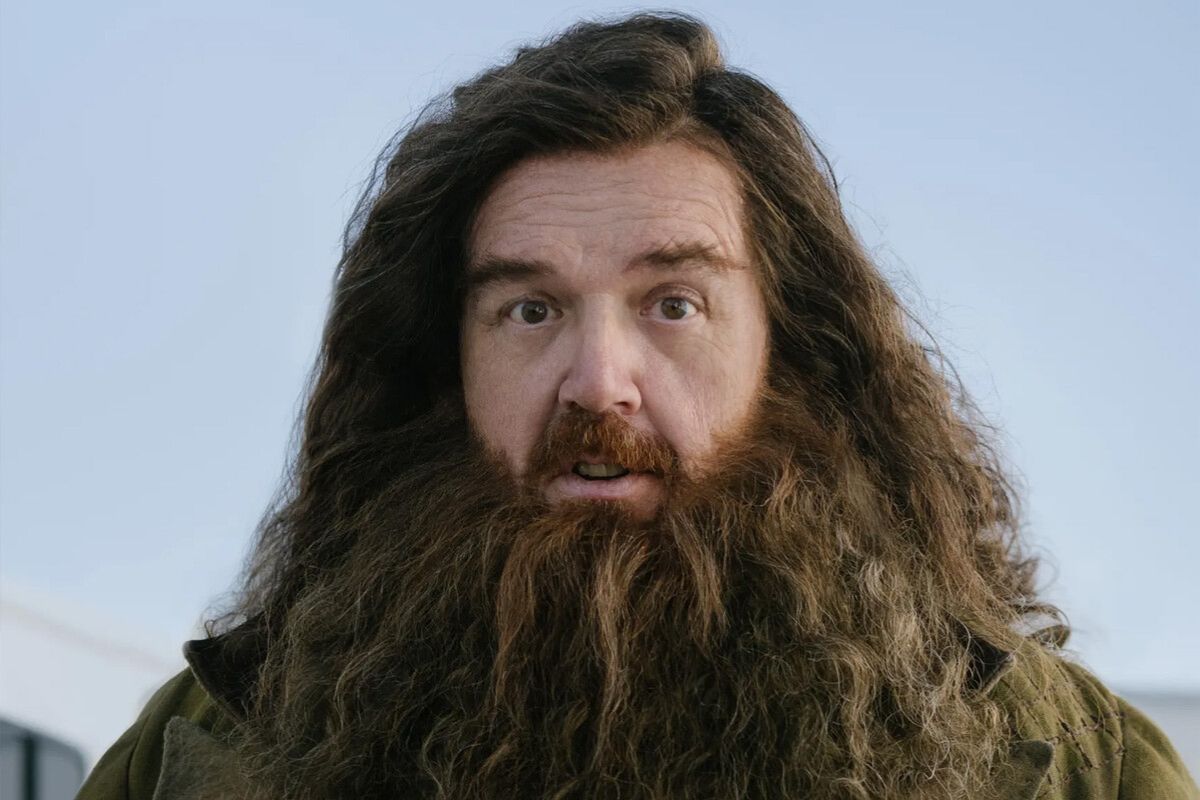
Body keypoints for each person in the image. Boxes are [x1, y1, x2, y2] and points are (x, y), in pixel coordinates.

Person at [77, 13, 1196, 800]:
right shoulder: (197, 752)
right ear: (444, 366)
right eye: (529, 310)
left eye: (673, 304)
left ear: (791, 355)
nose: (599, 379)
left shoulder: (1079, 766)